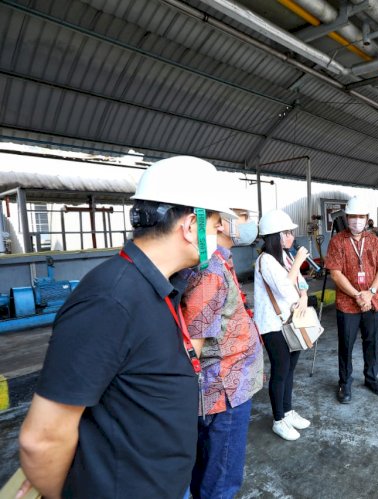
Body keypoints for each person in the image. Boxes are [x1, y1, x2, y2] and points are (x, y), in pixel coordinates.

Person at [17, 156, 235, 498]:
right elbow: (41, 439)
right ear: (192, 225)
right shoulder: (110, 299)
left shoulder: (160, 284)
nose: (220, 235)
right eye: (216, 225)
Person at [180, 189, 264, 499]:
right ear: (221, 224)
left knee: (216, 473)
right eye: (242, 217)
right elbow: (194, 346)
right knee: (220, 481)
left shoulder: (220, 262)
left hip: (232, 384)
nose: (247, 223)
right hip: (223, 392)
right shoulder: (211, 273)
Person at [325, 197, 378, 404]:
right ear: (347, 218)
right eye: (353, 217)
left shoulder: (373, 241)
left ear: (367, 219)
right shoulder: (338, 241)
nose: (357, 221)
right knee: (346, 344)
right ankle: (344, 382)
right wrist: (357, 295)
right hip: (348, 303)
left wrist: (370, 293)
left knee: (371, 342)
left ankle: (371, 378)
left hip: (373, 301)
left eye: (361, 217)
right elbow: (335, 273)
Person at [254, 209, 311, 441]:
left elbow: (302, 284)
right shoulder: (265, 260)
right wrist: (298, 261)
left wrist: (305, 297)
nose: (291, 237)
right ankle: (279, 419)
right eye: (287, 233)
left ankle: (287, 411)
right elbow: (285, 289)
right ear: (275, 236)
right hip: (272, 325)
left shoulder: (286, 256)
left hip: (290, 321)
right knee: (281, 369)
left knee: (290, 368)